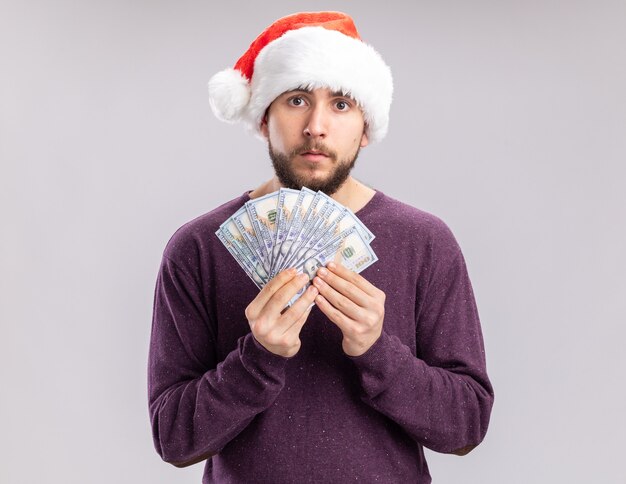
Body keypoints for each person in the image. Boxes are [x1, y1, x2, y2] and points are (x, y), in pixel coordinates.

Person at [148, 11, 494, 484]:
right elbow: (173, 439)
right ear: (264, 117)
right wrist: (258, 357)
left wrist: (376, 350)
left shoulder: (426, 242)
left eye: (342, 104)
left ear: (366, 127)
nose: (316, 126)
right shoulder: (197, 249)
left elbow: (466, 426)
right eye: (296, 99)